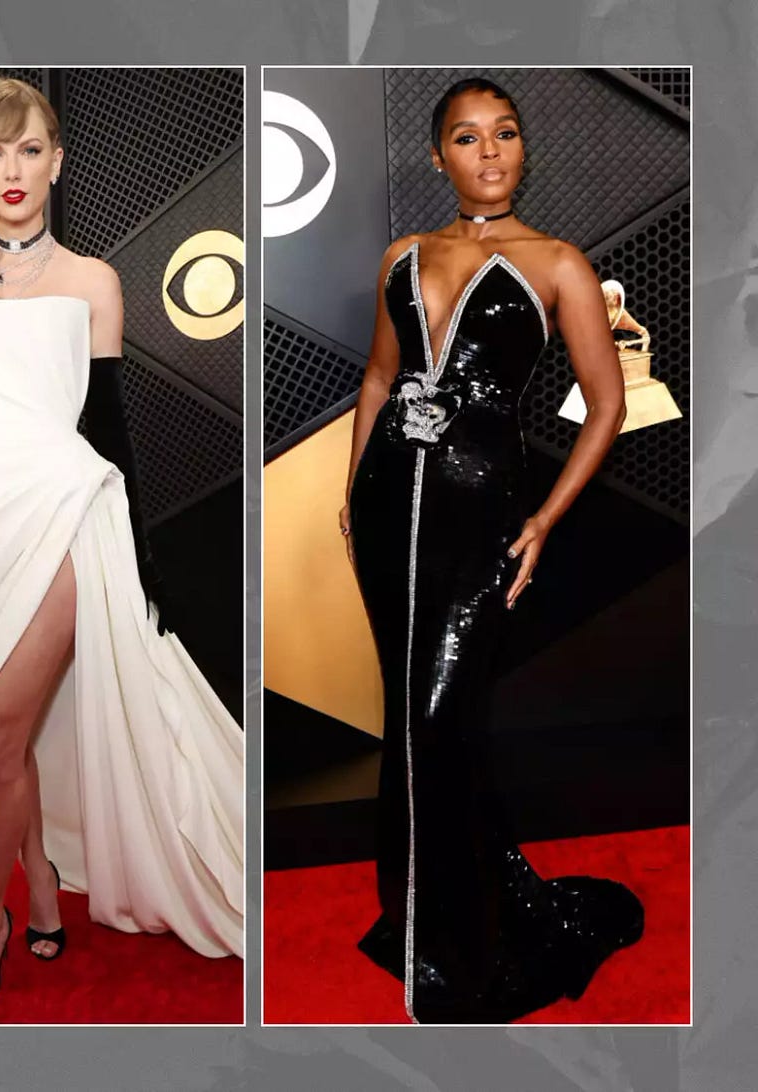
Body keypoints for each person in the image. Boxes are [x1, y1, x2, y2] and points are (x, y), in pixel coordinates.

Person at [0, 77, 244, 1017]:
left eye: (30, 149)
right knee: (5, 738)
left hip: (59, 514)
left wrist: (142, 559)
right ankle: (43, 877)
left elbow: (113, 433)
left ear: (58, 159)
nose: (13, 170)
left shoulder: (95, 282)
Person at [340, 77, 645, 1023]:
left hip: (485, 519)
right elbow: (382, 375)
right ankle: (423, 913)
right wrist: (354, 494)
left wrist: (544, 522)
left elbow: (608, 404)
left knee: (439, 720)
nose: (490, 152)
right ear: (439, 157)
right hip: (391, 507)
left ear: (522, 150)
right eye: (467, 139)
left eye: (505, 134)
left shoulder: (558, 263)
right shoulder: (403, 254)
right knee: (411, 719)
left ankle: (457, 949)